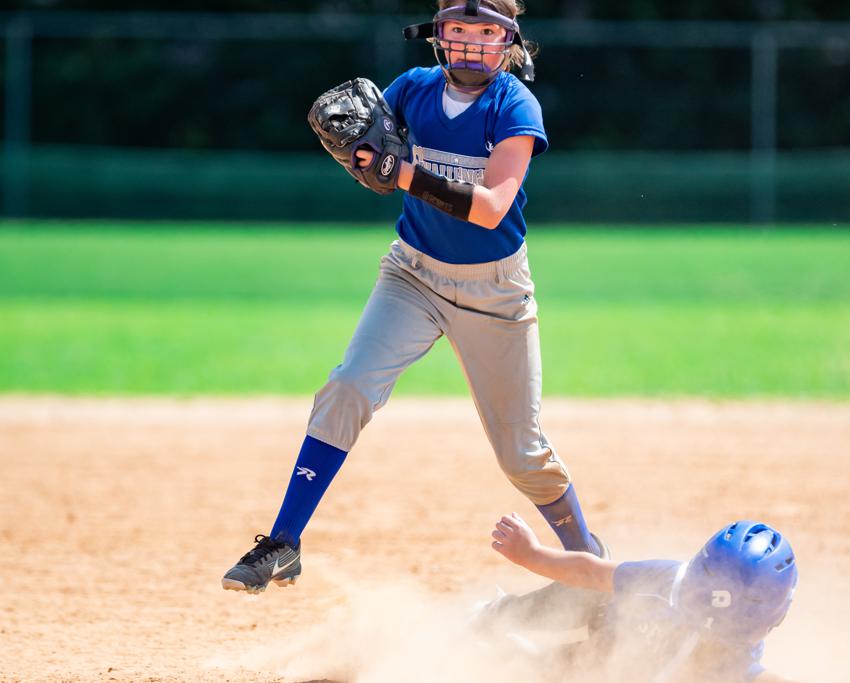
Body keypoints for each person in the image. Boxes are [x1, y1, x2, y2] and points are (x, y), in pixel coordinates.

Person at [222, 0, 603, 594]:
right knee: (347, 386)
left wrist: (399, 173)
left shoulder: (514, 106)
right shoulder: (412, 89)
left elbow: (491, 208)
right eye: (459, 30)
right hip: (413, 275)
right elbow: (374, 166)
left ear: (509, 42)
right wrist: (363, 161)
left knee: (521, 453)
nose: (472, 43)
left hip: (494, 291)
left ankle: (590, 561)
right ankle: (283, 542)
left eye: (487, 32)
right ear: (437, 35)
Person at [481, 514, 802, 683]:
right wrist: (532, 554)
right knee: (583, 593)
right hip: (608, 632)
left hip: (602, 669)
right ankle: (499, 616)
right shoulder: (663, 579)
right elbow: (592, 572)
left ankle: (515, 653)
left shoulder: (730, 657)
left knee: (536, 669)